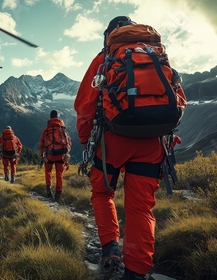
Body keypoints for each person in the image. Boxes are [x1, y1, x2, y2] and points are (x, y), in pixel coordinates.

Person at [74, 16, 180, 279]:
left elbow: (85, 106)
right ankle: (136, 272)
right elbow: (178, 100)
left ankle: (110, 247)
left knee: (102, 193)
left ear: (109, 35)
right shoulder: (156, 55)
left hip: (112, 142)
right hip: (152, 144)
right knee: (141, 209)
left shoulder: (105, 58)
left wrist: (86, 141)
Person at [39, 110, 72, 202]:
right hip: (61, 155)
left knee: (48, 172)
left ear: (50, 117)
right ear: (58, 117)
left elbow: (42, 144)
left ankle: (49, 191)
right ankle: (58, 194)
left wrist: (42, 156)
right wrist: (66, 154)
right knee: (59, 175)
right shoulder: (63, 129)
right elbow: (69, 142)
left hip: (49, 155)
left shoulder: (46, 130)